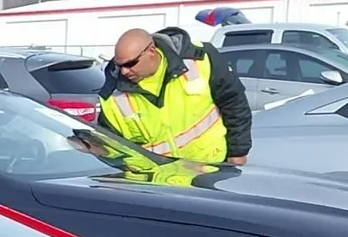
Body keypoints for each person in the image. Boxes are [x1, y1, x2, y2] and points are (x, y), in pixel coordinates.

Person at [98, 27, 251, 165]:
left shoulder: (200, 60)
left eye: (130, 64)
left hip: (212, 168)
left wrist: (237, 152)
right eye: (119, 66)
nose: (124, 71)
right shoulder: (112, 97)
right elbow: (112, 146)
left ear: (151, 51)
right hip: (158, 180)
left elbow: (234, 103)